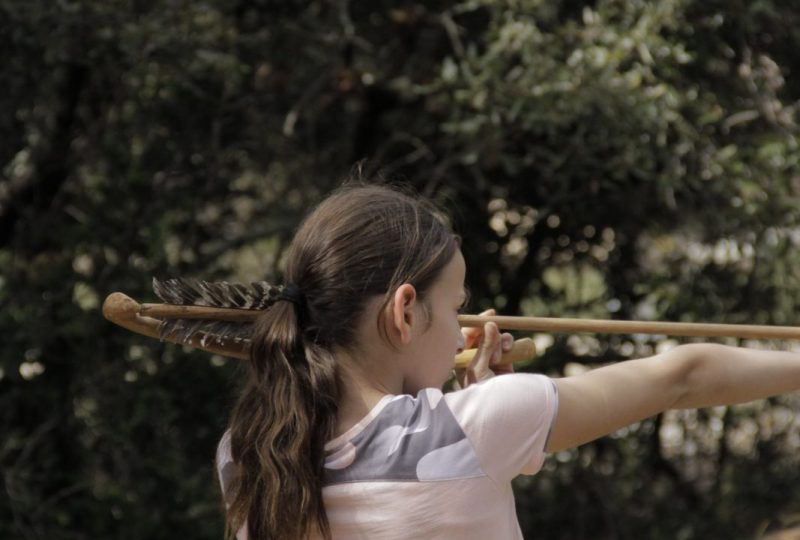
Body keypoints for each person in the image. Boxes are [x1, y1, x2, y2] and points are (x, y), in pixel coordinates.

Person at [215, 182, 800, 540]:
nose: (464, 331)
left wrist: (473, 410)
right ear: (405, 312)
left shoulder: (246, 451)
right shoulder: (472, 429)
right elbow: (682, 375)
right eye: (457, 308)